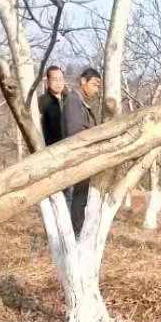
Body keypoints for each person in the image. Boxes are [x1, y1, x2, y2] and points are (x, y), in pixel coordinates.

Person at [63, 67, 102, 235]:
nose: (96, 89)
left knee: (81, 199)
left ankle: (76, 232)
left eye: (98, 86)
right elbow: (74, 133)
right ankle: (74, 233)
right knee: (77, 200)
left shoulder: (81, 103)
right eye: (94, 84)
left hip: (83, 159)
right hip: (76, 159)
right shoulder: (73, 100)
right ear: (83, 82)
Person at [38, 66, 67, 148]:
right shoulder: (41, 102)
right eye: (54, 79)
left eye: (61, 79)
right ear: (47, 81)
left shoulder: (69, 99)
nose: (58, 83)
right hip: (50, 149)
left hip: (70, 146)